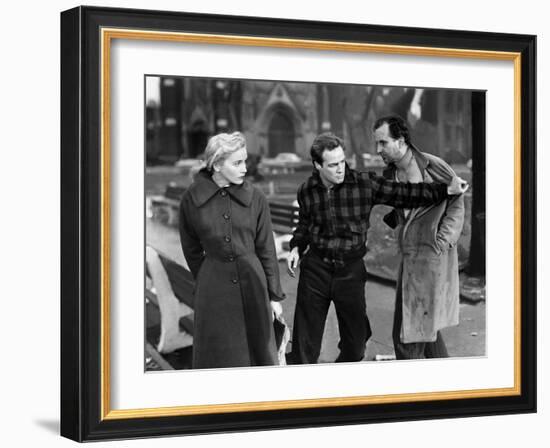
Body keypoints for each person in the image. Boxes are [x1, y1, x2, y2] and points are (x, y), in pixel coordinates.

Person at [286, 132, 468, 365]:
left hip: (349, 272)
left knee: (356, 346)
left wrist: (445, 190)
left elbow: (407, 194)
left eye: (342, 162)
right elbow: (304, 225)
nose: (341, 169)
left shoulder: (364, 184)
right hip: (316, 271)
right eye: (333, 165)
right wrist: (296, 247)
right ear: (317, 166)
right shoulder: (306, 190)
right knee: (304, 349)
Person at [178, 132, 285, 369]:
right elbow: (191, 248)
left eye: (245, 160)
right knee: (219, 358)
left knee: (259, 356)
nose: (245, 168)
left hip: (254, 284)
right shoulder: (191, 200)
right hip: (213, 291)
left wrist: (274, 295)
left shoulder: (256, 198)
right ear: (217, 164)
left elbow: (266, 248)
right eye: (237, 163)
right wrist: (209, 277)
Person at [374, 115, 465, 359]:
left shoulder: (434, 167)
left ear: (401, 140)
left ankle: (413, 390)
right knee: (424, 329)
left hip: (432, 257)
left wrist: (442, 240)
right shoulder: (390, 176)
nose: (377, 150)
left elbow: (457, 202)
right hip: (408, 259)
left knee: (408, 336)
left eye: (383, 143)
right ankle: (450, 386)